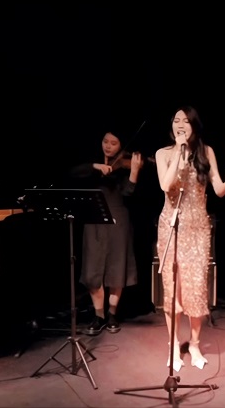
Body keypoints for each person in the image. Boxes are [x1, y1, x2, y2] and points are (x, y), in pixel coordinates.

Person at [155, 105, 225, 371]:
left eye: (186, 121)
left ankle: (194, 344)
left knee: (196, 289)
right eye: (176, 120)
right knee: (172, 289)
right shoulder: (163, 153)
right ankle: (173, 345)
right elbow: (165, 185)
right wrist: (179, 155)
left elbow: (218, 190)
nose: (180, 124)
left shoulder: (207, 152)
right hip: (171, 226)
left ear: (194, 125)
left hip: (198, 229)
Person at [68, 129, 142, 335]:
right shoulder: (92, 164)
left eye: (113, 143)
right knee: (92, 270)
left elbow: (128, 192)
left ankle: (112, 314)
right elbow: (73, 173)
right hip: (94, 218)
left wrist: (134, 172)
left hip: (119, 220)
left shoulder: (124, 167)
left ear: (121, 146)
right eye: (105, 141)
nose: (108, 146)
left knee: (117, 267)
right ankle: (98, 315)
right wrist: (96, 166)